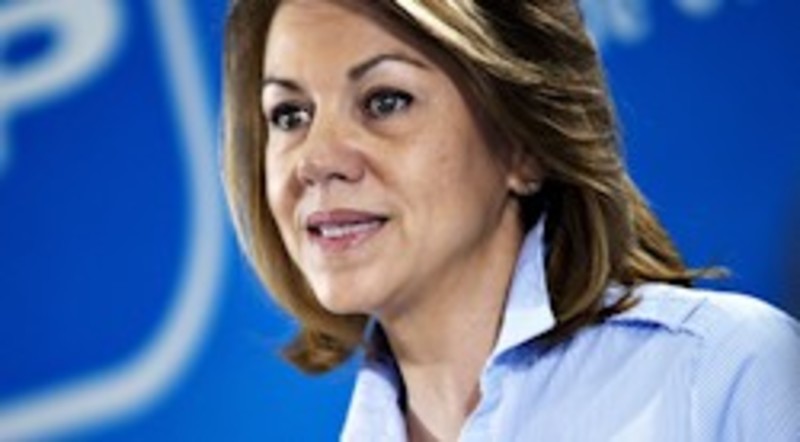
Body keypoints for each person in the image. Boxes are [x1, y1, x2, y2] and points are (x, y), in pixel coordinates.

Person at [221, 0, 800, 440]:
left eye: (385, 101)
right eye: (289, 115)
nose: (315, 161)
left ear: (524, 145)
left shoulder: (720, 374)